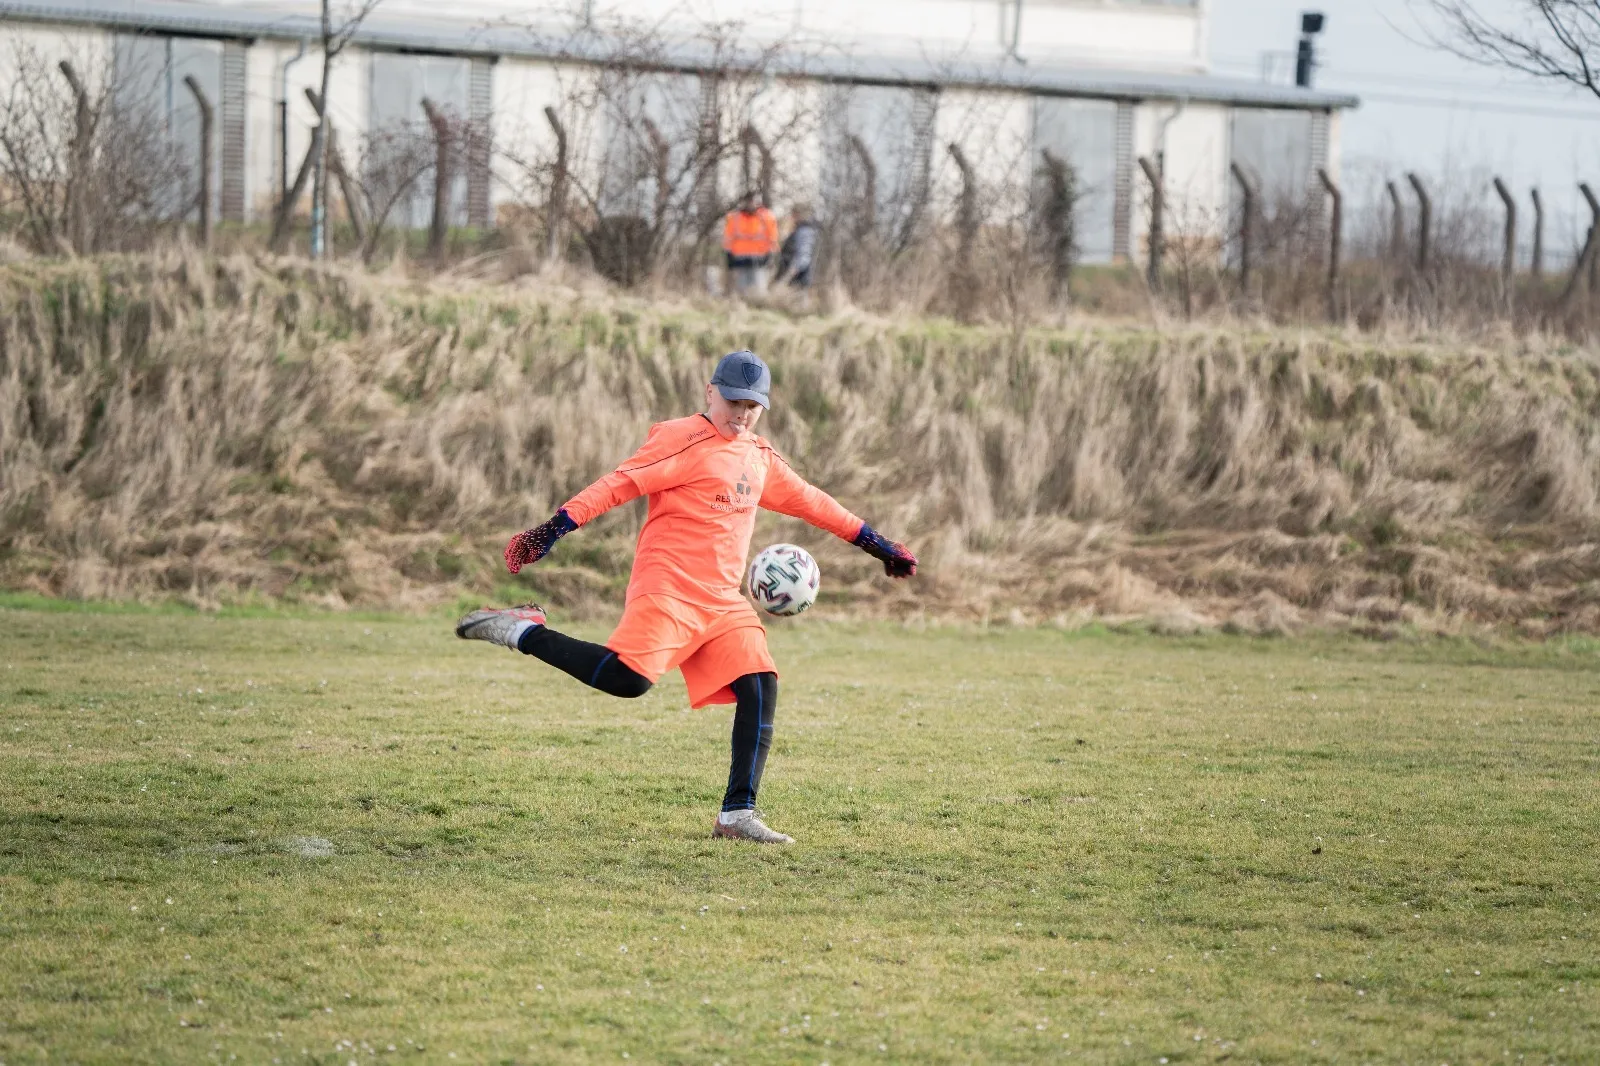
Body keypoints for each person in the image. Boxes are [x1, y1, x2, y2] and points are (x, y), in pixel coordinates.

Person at [456, 350, 918, 844]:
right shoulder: (681, 440)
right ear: (710, 392)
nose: (741, 415)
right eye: (734, 402)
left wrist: (877, 545)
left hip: (722, 602)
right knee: (627, 681)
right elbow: (618, 485)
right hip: (669, 588)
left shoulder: (758, 457)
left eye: (753, 407)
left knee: (760, 684)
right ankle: (523, 630)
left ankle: (737, 815)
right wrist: (553, 528)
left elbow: (813, 502)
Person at [721, 191, 779, 296]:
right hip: (739, 260)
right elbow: (727, 238)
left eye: (753, 201)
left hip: (760, 260)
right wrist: (729, 255)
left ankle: (758, 305)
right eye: (749, 201)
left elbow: (772, 238)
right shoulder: (734, 217)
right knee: (741, 290)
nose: (751, 204)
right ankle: (742, 305)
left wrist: (770, 255)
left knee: (759, 290)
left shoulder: (767, 217)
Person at [775, 205, 819, 290]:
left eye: (794, 214)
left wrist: (795, 269)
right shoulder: (798, 229)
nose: (792, 217)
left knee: (796, 294)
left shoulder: (805, 231)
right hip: (793, 270)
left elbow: (804, 253)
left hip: (799, 274)